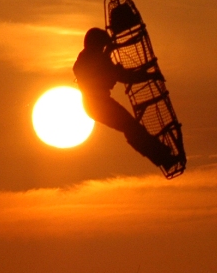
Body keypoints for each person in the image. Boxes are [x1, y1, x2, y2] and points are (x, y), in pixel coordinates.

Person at [72, 27, 179, 171]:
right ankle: (164, 158)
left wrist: (108, 51)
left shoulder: (88, 57)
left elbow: (113, 71)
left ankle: (163, 156)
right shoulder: (93, 59)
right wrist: (150, 75)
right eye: (102, 45)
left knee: (131, 128)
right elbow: (124, 76)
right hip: (97, 105)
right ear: (97, 44)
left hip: (96, 104)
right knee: (131, 127)